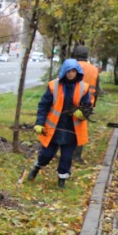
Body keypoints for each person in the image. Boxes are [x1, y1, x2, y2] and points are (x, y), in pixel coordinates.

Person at [24, 58, 92, 188]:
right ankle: (36, 168)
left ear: (77, 72)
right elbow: (43, 105)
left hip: (72, 130)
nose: (71, 74)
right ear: (64, 72)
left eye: (73, 71)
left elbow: (87, 106)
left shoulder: (83, 87)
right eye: (68, 71)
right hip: (54, 129)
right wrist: (39, 123)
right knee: (46, 154)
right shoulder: (53, 85)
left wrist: (83, 114)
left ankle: (62, 181)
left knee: (66, 158)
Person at [71, 45, 99, 163]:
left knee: (67, 127)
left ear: (75, 55)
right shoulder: (94, 69)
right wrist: (93, 105)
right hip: (86, 103)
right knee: (81, 128)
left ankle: (66, 152)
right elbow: (96, 89)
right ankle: (77, 156)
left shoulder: (72, 67)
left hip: (71, 101)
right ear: (86, 56)